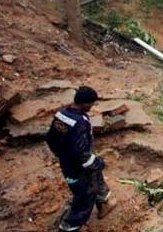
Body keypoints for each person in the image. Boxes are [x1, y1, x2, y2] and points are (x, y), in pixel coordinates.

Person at [46, 86, 116, 231]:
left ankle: (104, 201)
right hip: (77, 168)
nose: (92, 106)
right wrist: (97, 162)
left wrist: (60, 154)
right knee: (85, 196)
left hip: (66, 161)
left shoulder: (62, 114)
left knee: (95, 175)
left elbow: (50, 138)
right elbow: (81, 154)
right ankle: (69, 226)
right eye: (91, 103)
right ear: (85, 103)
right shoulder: (81, 123)